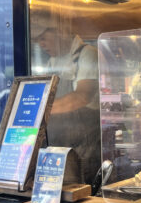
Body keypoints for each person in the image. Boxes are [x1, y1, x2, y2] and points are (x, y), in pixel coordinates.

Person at [33, 27, 100, 185]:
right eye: (37, 40)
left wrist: (38, 111)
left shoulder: (87, 53)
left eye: (43, 37)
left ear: (60, 32)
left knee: (81, 192)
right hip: (58, 146)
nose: (41, 44)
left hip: (84, 148)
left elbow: (82, 96)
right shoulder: (53, 61)